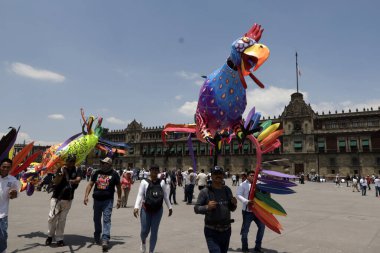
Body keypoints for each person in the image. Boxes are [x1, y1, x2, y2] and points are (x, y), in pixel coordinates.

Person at [194, 166, 237, 253]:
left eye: (220, 174)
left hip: (226, 230)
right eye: (215, 174)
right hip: (212, 231)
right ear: (211, 176)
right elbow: (196, 208)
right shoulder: (205, 191)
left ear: (223, 175)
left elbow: (232, 209)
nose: (218, 176)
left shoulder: (227, 190)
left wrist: (233, 204)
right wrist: (207, 207)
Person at [84, 157, 122, 251]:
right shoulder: (97, 172)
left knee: (106, 219)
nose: (103, 164)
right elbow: (90, 184)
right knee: (96, 219)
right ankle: (97, 234)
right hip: (97, 200)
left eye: (105, 163)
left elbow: (119, 187)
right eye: (102, 163)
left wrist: (119, 199)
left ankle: (105, 239)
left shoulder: (114, 174)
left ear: (109, 164)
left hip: (108, 201)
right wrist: (86, 196)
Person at [134, 165, 173, 253]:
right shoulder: (144, 182)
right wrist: (136, 207)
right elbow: (140, 195)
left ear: (158, 171)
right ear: (150, 171)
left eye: (156, 170)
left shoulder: (162, 182)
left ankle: (151, 251)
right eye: (153, 170)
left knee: (154, 231)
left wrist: (170, 207)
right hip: (146, 209)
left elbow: (165, 196)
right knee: (144, 231)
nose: (155, 171)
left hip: (158, 210)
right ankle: (143, 241)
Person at [46, 155, 82, 247]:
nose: (71, 163)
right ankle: (50, 235)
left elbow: (78, 179)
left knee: (62, 220)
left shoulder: (77, 169)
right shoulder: (60, 168)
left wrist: (73, 181)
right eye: (69, 161)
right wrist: (60, 176)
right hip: (56, 197)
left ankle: (59, 238)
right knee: (52, 217)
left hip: (68, 198)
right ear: (66, 161)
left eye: (73, 161)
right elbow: (55, 182)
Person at [237, 170, 265, 253]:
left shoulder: (259, 184)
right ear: (247, 176)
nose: (253, 176)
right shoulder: (243, 185)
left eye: (254, 175)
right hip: (247, 212)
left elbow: (265, 194)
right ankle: (245, 248)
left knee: (262, 227)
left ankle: (258, 246)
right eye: (251, 175)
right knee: (245, 231)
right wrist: (246, 201)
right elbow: (238, 195)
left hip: (257, 211)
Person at [0, 158, 20, 253]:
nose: (5, 169)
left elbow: (15, 195)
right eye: (4, 167)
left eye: (8, 167)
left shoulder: (12, 180)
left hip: (3, 213)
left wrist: (13, 193)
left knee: (3, 235)